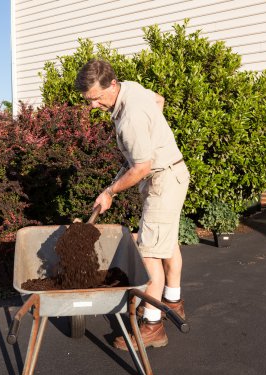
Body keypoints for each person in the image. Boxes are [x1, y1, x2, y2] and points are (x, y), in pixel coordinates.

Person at [75, 59, 190, 350]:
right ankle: (172, 303)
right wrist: (153, 130)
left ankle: (153, 326)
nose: (93, 106)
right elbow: (158, 99)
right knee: (167, 243)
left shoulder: (130, 118)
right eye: (88, 100)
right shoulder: (132, 89)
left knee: (150, 253)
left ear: (112, 84)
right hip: (171, 174)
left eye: (97, 98)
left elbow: (140, 168)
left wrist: (110, 191)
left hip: (162, 180)